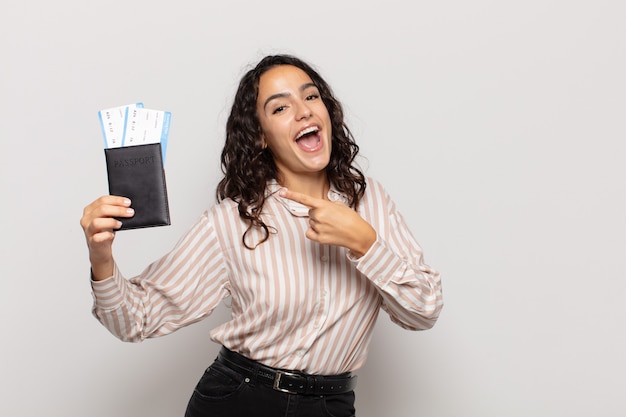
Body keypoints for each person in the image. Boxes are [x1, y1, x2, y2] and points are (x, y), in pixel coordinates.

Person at [81, 54, 443, 417]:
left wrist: (366, 244)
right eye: (281, 107)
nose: (303, 112)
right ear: (260, 137)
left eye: (311, 97)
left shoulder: (371, 202)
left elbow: (424, 312)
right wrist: (101, 258)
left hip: (330, 406)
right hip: (239, 401)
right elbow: (135, 320)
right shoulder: (230, 222)